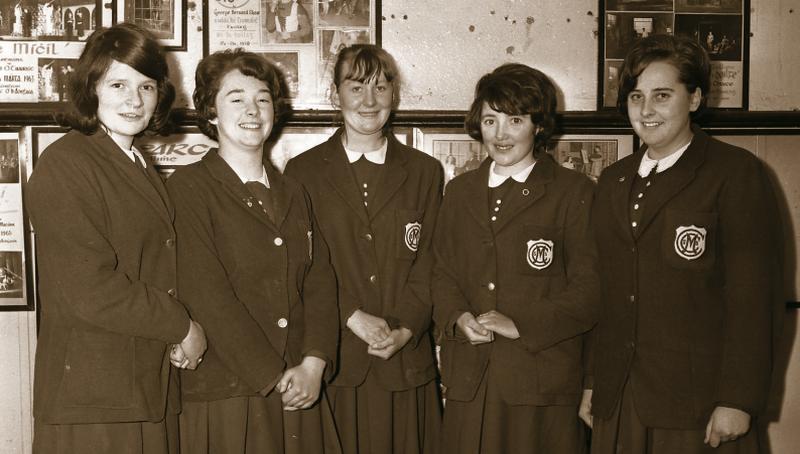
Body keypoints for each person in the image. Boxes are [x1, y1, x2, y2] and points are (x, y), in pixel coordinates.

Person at [582, 34, 782, 454]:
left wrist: (738, 399)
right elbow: (603, 294)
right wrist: (592, 383)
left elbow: (754, 299)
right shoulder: (613, 180)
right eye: (636, 97)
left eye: (662, 95)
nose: (646, 110)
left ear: (694, 98)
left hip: (699, 404)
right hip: (621, 398)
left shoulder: (735, 173)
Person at [26, 22, 206, 454]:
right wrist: (180, 325)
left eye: (146, 87)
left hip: (137, 387)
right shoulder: (66, 164)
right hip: (93, 399)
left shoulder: (133, 160)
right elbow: (89, 290)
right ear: (92, 87)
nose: (134, 99)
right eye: (118, 83)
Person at [166, 48, 341, 454]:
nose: (253, 109)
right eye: (236, 98)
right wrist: (273, 375)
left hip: (300, 386)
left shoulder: (294, 192)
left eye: (263, 98)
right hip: (229, 391)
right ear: (210, 111)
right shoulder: (188, 189)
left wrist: (314, 363)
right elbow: (207, 294)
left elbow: (319, 282)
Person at [432, 63, 599, 453]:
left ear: (538, 126)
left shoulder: (573, 193)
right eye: (490, 120)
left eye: (515, 120)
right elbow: (440, 272)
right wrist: (458, 317)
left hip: (540, 383)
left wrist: (521, 323)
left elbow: (591, 291)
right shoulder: (459, 192)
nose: (500, 134)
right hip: (469, 382)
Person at [284, 44, 443, 454]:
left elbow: (431, 262)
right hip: (335, 359)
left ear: (395, 94)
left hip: (404, 360)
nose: (369, 101)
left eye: (380, 87)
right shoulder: (303, 172)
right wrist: (351, 316)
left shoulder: (425, 172)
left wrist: (407, 327)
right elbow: (301, 266)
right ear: (336, 95)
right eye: (356, 87)